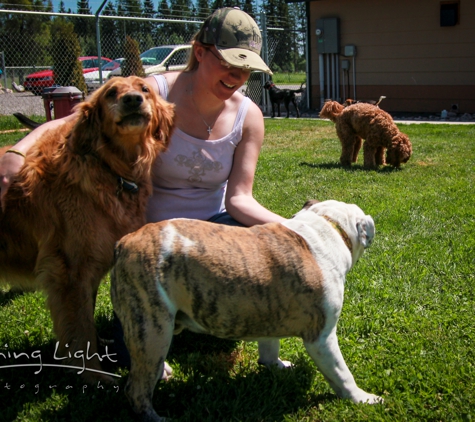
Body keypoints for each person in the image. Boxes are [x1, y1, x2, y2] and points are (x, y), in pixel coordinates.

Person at [0, 7, 285, 228]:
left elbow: (238, 199)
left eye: (246, 67)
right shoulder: (153, 93)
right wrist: (16, 153)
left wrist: (293, 227)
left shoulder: (249, 117)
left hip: (216, 228)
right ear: (200, 52)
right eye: (227, 62)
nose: (237, 76)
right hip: (148, 234)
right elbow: (70, 122)